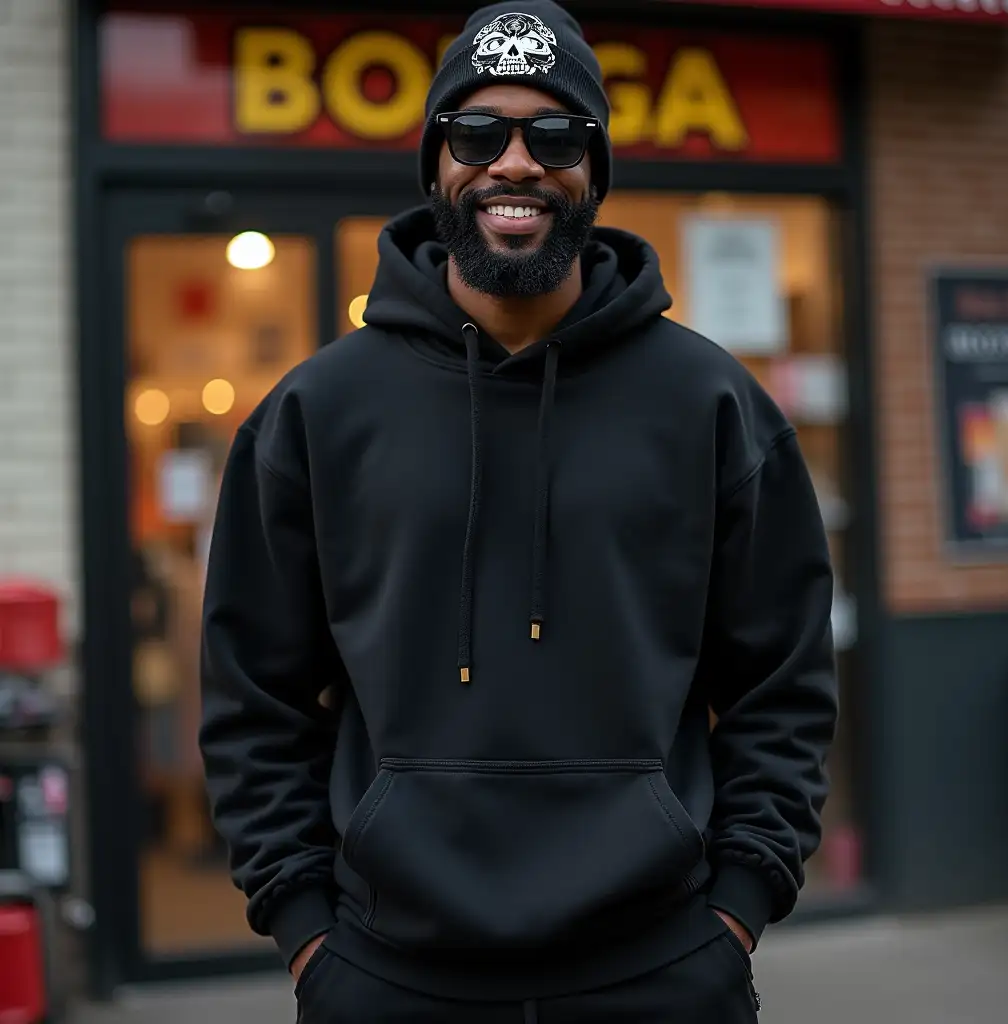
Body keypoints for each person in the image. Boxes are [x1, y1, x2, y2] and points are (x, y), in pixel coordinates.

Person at [199, 2, 839, 1020]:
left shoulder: (712, 406)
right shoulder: (316, 413)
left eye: (555, 136)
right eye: (475, 132)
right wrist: (307, 932)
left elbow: (781, 686)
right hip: (387, 973)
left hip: (661, 969)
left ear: (594, 172)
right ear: (435, 163)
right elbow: (253, 699)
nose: (514, 162)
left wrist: (736, 909)